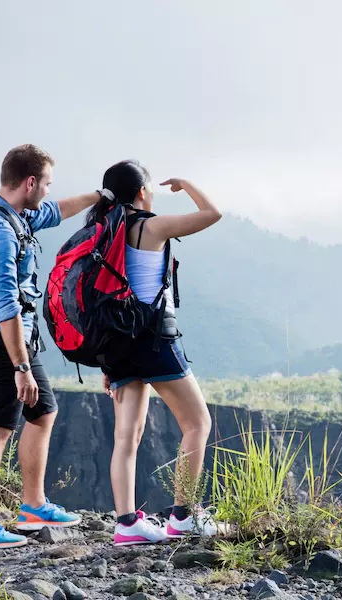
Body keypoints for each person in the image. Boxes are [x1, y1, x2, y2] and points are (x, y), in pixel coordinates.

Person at [0, 144, 105, 550]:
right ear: (30, 182)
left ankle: (33, 506)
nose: (50, 192)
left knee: (43, 411)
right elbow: (4, 302)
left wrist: (100, 197)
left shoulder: (17, 214)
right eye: (47, 184)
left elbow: (57, 211)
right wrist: (20, 367)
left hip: (18, 336)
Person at [86, 160, 224, 546]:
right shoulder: (150, 225)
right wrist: (188, 183)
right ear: (142, 192)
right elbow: (212, 214)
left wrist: (105, 359)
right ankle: (183, 516)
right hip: (154, 342)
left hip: (117, 345)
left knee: (126, 437)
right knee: (198, 423)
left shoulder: (102, 231)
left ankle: (127, 524)